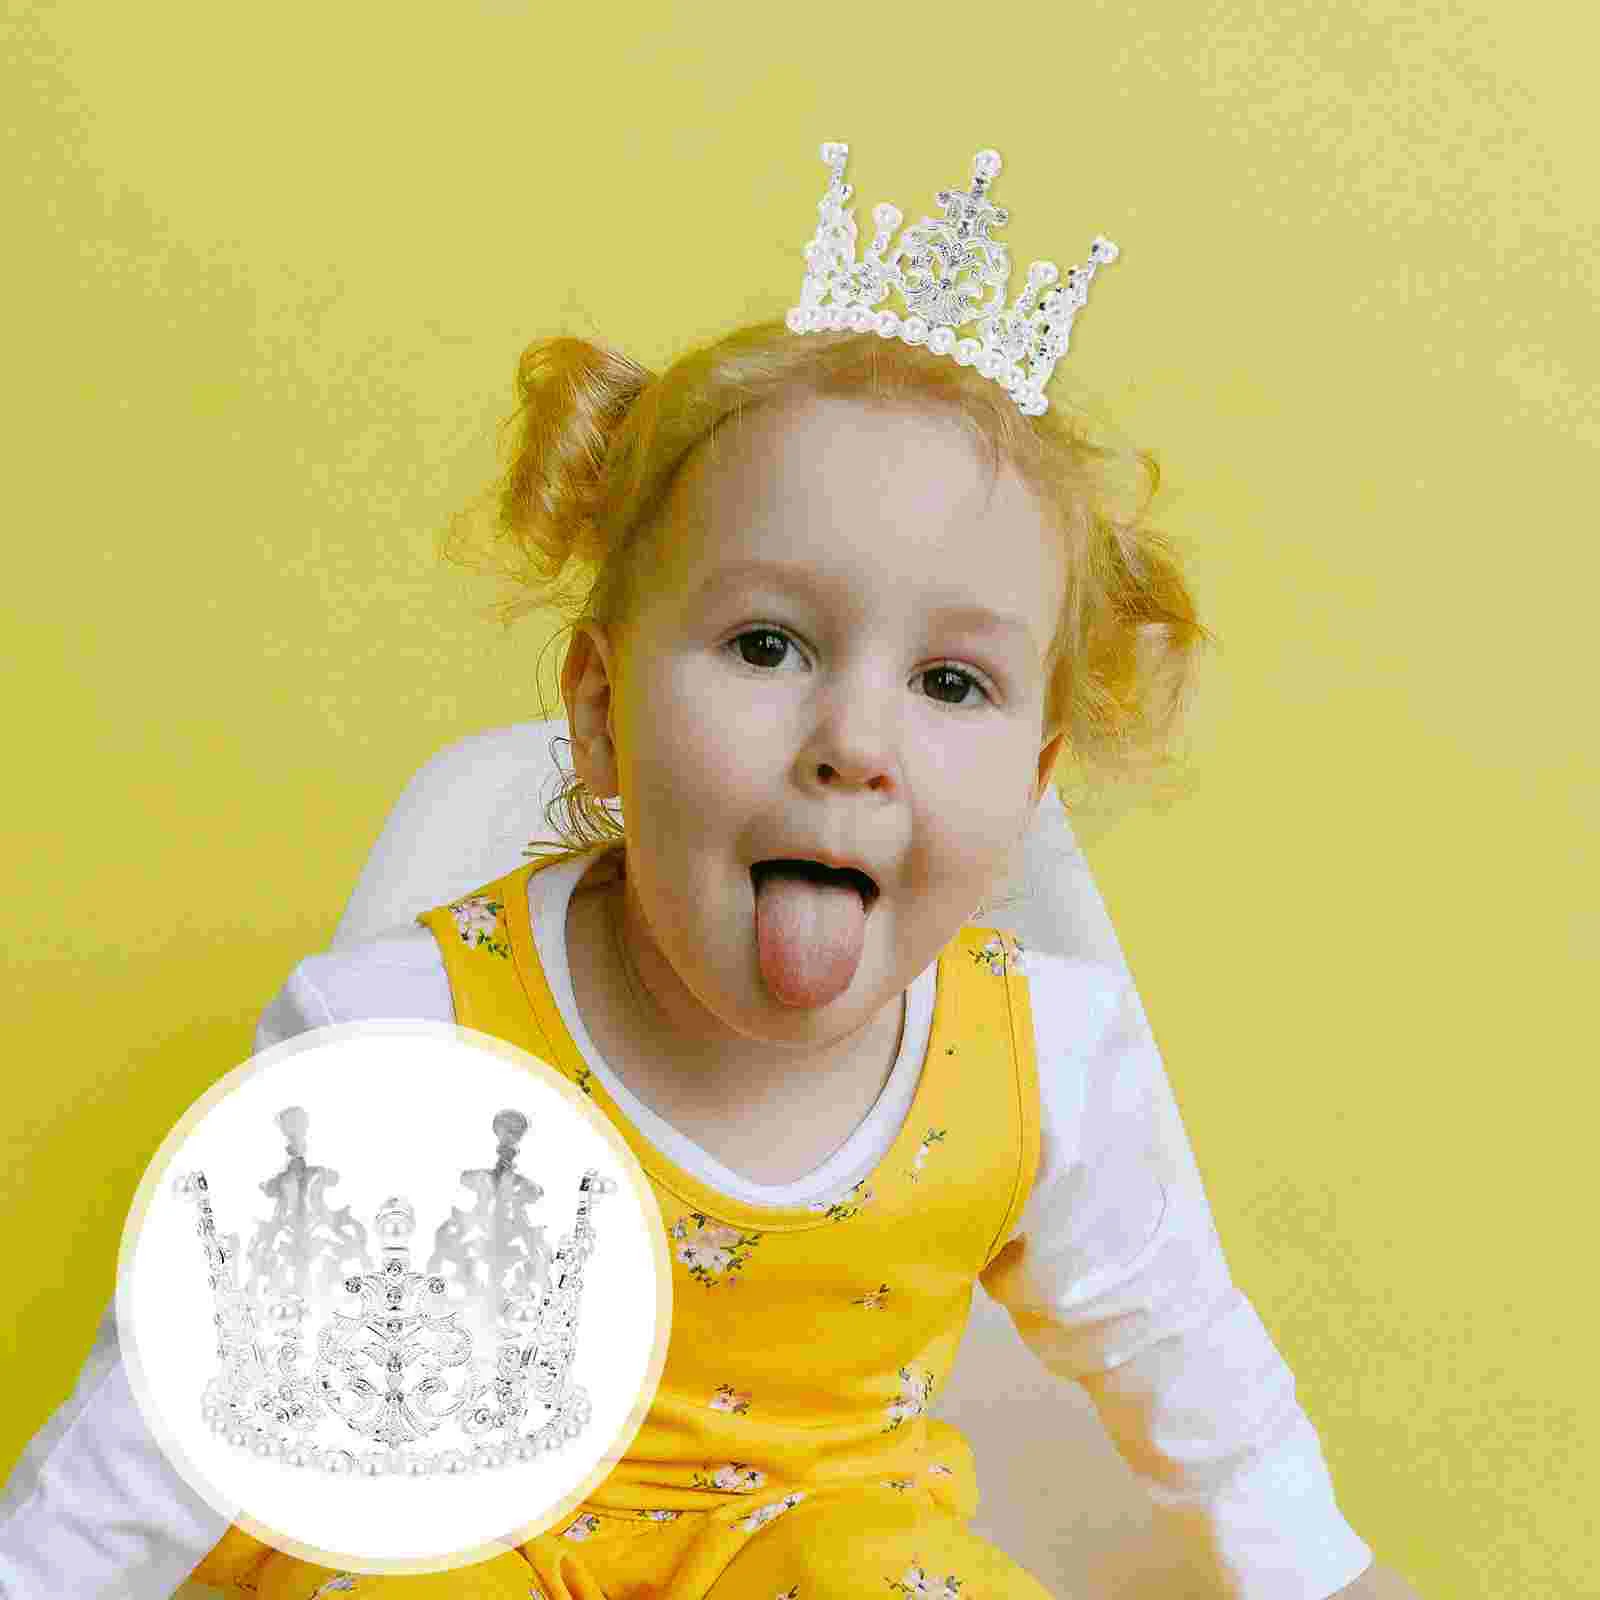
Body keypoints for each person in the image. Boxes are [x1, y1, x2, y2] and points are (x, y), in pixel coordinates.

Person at [0, 144, 1400, 1599]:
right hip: (443, 1524)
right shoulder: (404, 1035)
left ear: (1034, 784)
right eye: (768, 646)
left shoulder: (1048, 1063)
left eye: (951, 682)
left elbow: (1201, 1382)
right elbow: (151, 1441)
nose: (854, 743)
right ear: (601, 713)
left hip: (810, 1535)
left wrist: (1333, 1577)